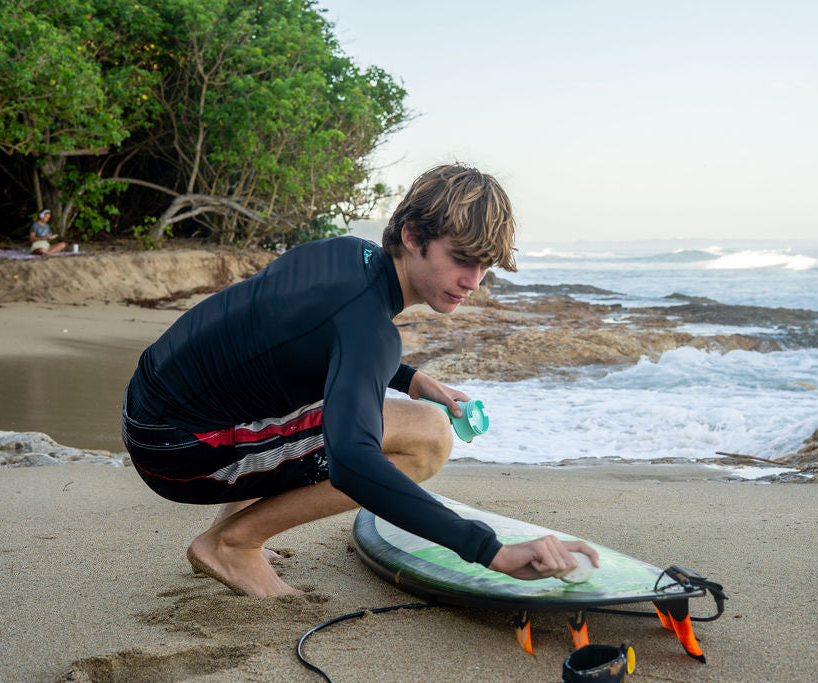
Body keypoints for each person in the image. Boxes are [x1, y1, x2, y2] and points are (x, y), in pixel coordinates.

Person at [122, 164, 598, 597]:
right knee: (426, 438)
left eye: (484, 266)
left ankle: (235, 524)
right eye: (461, 259)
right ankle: (233, 543)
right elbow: (353, 464)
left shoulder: (347, 256)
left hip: (154, 408)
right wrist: (493, 552)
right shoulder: (370, 332)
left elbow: (303, 337)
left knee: (348, 404)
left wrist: (413, 381)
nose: (473, 281)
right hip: (180, 453)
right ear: (413, 235)